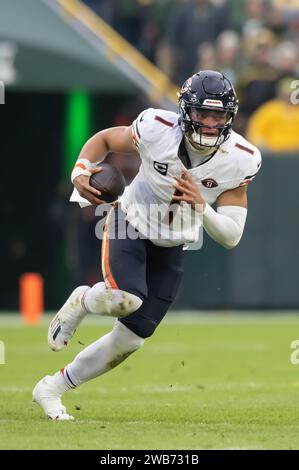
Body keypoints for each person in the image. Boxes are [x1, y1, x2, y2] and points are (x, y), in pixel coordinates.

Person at [32, 70, 261, 420]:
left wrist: (202, 208)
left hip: (174, 244)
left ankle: (51, 388)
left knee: (133, 338)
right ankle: (83, 299)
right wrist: (81, 169)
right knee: (128, 299)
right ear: (186, 111)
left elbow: (231, 236)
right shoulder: (156, 127)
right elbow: (107, 140)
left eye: (219, 116)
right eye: (203, 114)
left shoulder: (241, 158)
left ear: (230, 118)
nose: (211, 124)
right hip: (131, 222)